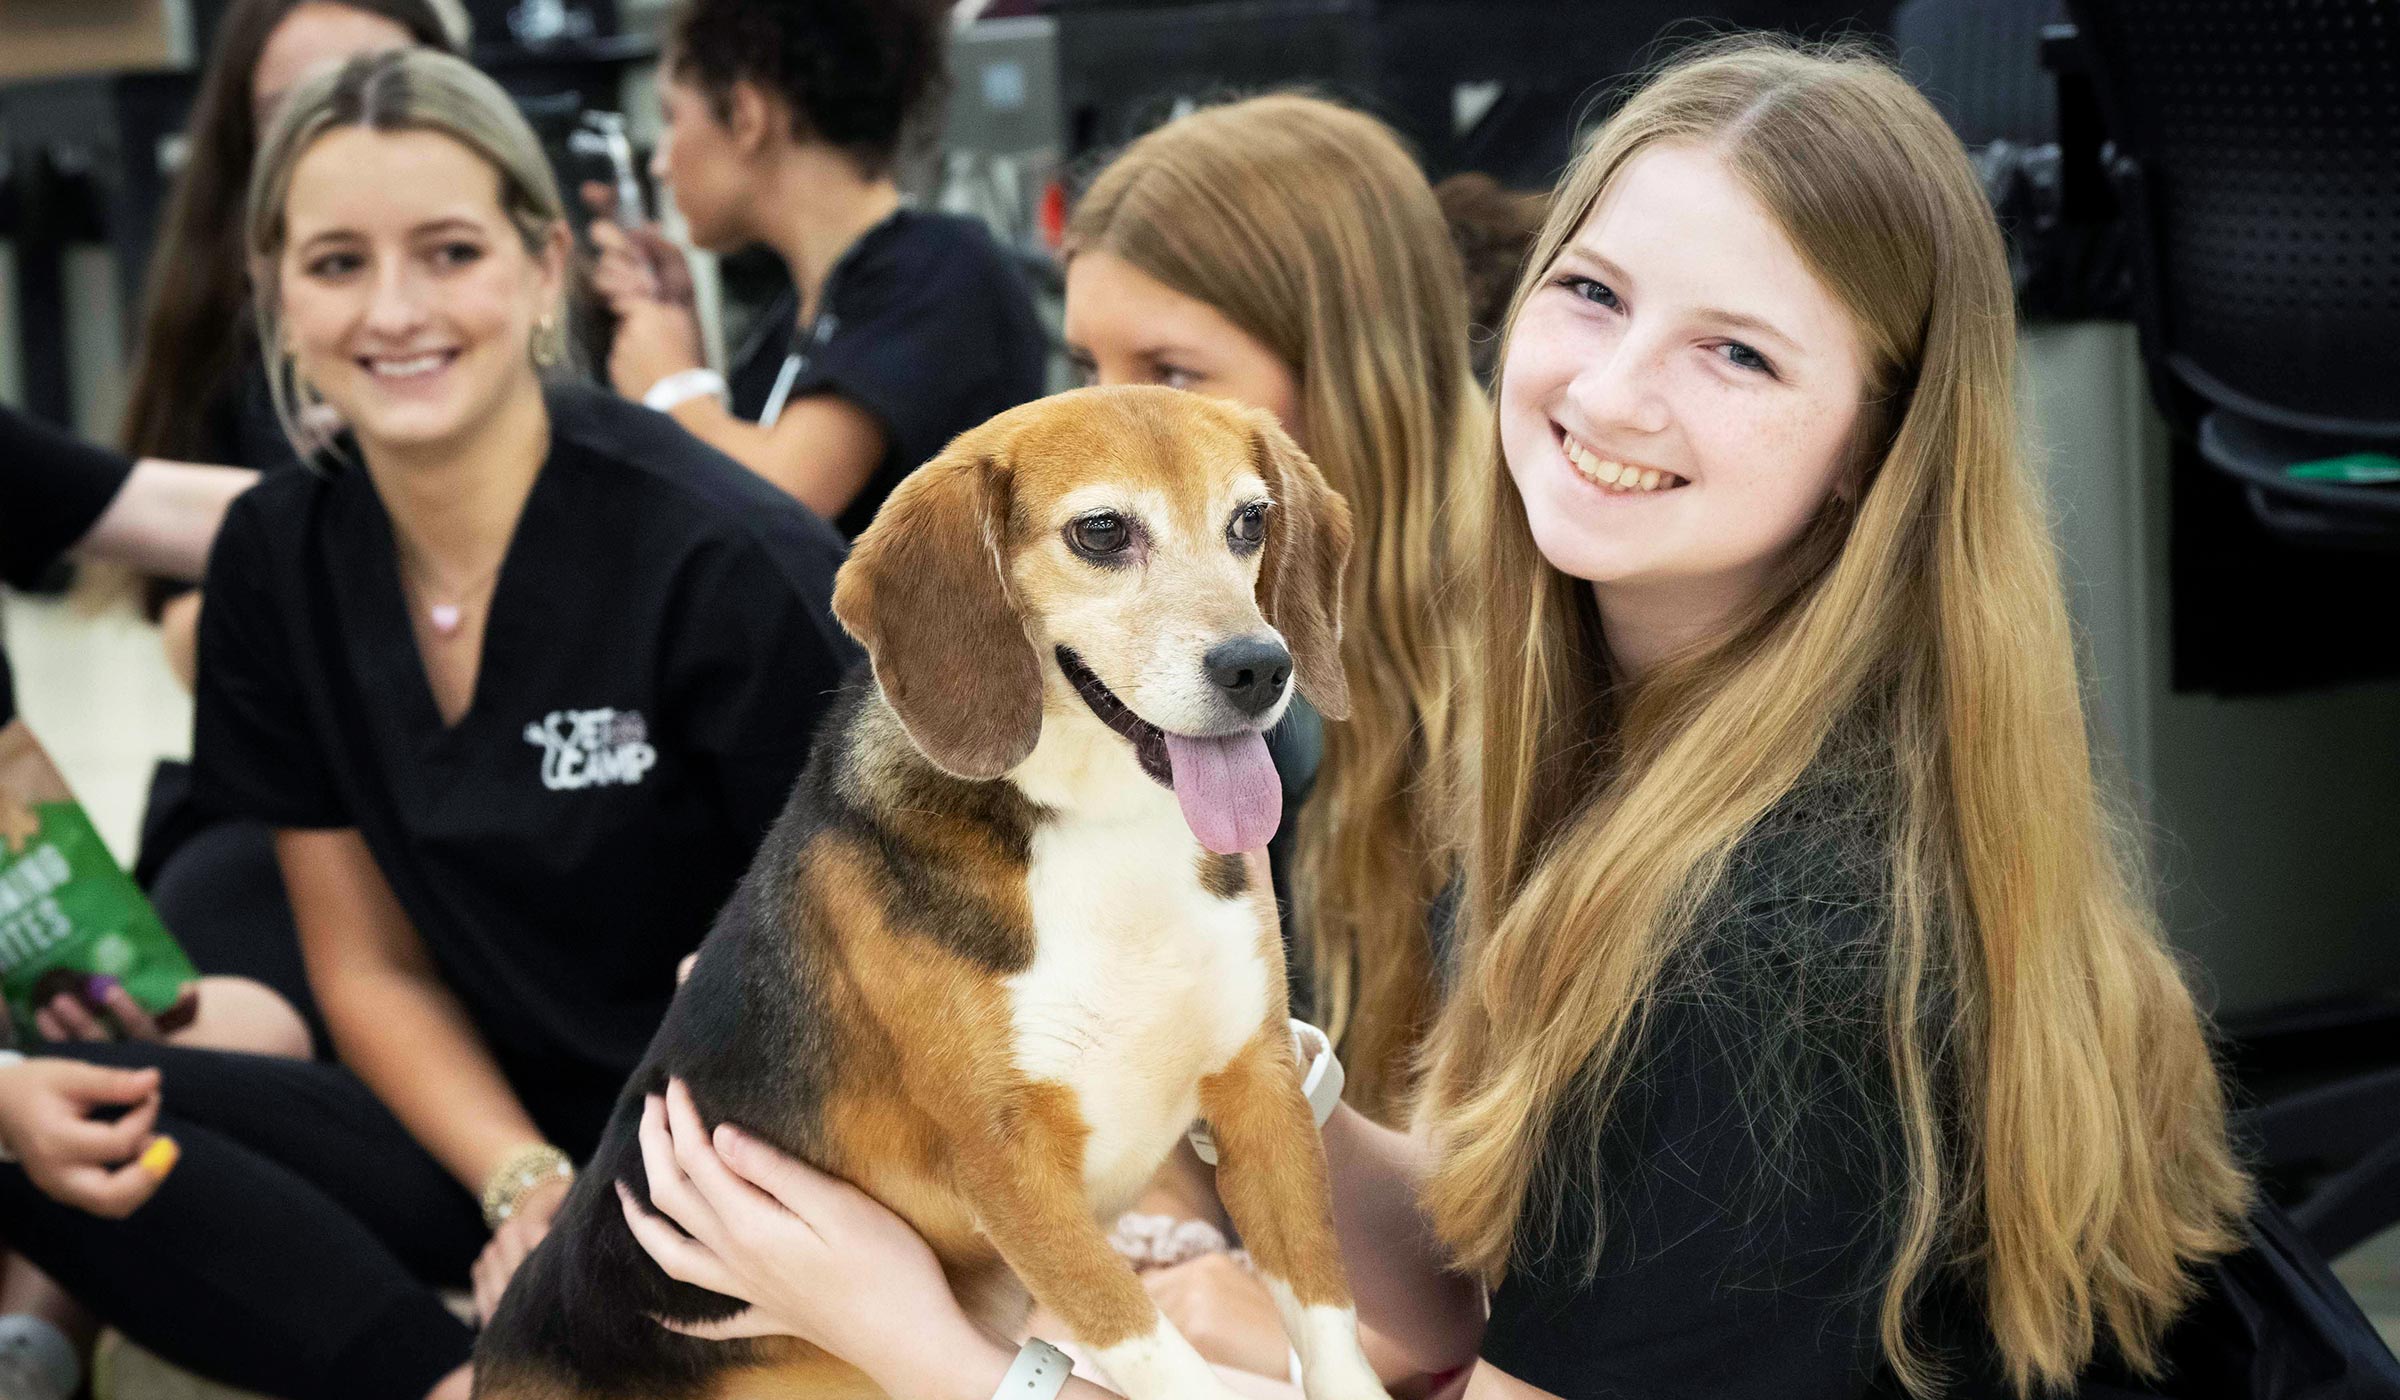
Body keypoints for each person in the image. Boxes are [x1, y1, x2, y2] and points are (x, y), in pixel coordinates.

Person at [612, 36, 2255, 1400]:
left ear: (1874, 449)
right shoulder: (1629, 756)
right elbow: (1508, 1285)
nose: (1611, 396)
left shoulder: (1776, 934)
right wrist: (1218, 1052)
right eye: (1595, 294)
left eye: (1738, 354)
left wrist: (937, 1346)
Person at [0, 48, 854, 1400]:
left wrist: (599, 1215)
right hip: (470, 1129)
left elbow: (857, 996)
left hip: (747, 1137)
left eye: (447, 252)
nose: (393, 311)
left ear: (540, 265)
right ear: (273, 292)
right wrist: (521, 1178)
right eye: (337, 263)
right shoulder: (278, 560)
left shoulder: (727, 563)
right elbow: (373, 974)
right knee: (42, 1109)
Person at [586, 0, 1047, 534]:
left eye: (672, 118)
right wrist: (680, 334)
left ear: (745, 116)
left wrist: (670, 386)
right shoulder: (803, 313)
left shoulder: (940, 269)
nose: (662, 163)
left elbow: (786, 496)